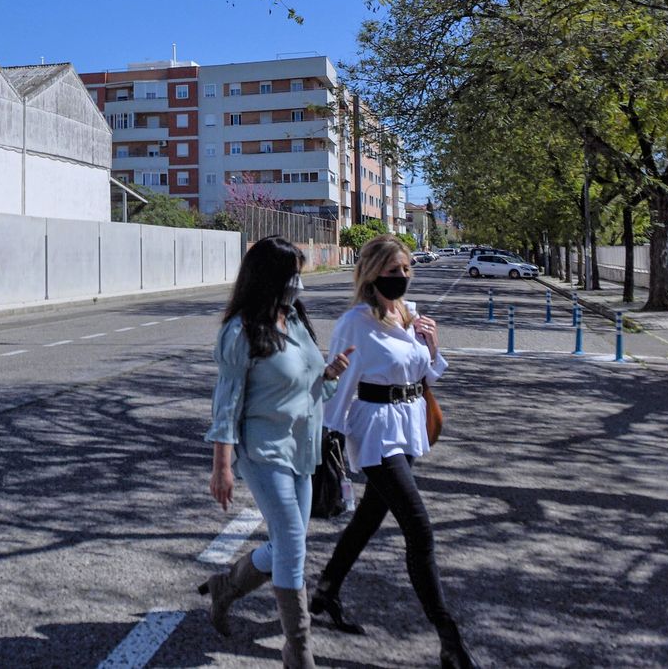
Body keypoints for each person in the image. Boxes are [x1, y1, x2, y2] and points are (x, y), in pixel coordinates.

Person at [310, 234, 477, 669]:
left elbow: (427, 374)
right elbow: (339, 384)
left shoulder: (410, 315)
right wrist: (328, 438)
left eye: (405, 270)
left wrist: (433, 345)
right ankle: (449, 639)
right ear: (371, 274)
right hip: (376, 431)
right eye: (392, 271)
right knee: (419, 531)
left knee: (369, 518)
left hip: (409, 423)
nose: (401, 277)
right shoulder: (355, 322)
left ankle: (326, 590)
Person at [201, 236, 351, 669]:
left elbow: (309, 386)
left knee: (292, 540)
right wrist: (222, 467)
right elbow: (226, 405)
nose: (298, 281)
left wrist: (330, 375)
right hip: (263, 451)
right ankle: (298, 652)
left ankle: (226, 586)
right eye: (292, 273)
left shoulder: (297, 321)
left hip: (302, 448)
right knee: (290, 541)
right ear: (270, 278)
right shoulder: (241, 331)